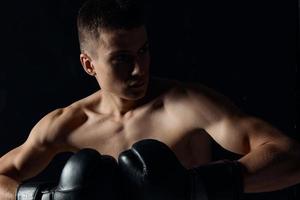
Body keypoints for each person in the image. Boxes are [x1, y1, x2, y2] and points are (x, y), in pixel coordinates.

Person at [0, 0, 300, 199]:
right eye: (121, 59)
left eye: (143, 51)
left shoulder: (187, 106)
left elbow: (290, 157)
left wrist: (197, 186)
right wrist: (45, 197)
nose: (139, 69)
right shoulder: (67, 124)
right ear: (88, 64)